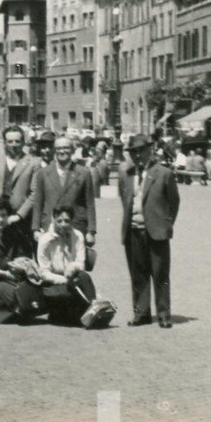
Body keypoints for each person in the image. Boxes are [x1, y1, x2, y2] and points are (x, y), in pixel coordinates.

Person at [118, 132, 180, 329]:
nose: (137, 155)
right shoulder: (126, 174)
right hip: (133, 230)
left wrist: (164, 223)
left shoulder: (164, 173)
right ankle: (141, 313)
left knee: (160, 274)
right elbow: (124, 199)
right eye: (133, 152)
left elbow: (174, 202)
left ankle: (163, 314)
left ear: (150, 150)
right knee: (138, 274)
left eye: (140, 151)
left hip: (156, 231)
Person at [36, 205, 108, 326]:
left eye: (67, 221)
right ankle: (67, 312)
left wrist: (72, 267)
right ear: (53, 219)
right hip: (53, 282)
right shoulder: (45, 241)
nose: (63, 224)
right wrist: (64, 280)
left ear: (72, 220)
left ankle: (93, 308)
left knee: (84, 276)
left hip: (73, 278)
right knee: (68, 303)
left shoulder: (78, 236)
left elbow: (81, 263)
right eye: (59, 221)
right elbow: (44, 273)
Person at [31, 135, 98, 262]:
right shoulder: (43, 173)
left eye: (66, 148)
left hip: (76, 227)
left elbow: (90, 204)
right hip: (50, 227)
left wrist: (91, 231)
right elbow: (38, 203)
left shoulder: (83, 172)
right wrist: (35, 229)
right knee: (51, 264)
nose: (62, 151)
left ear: (73, 150)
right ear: (54, 150)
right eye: (59, 148)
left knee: (75, 265)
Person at [0, 126, 37, 252]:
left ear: (23, 142)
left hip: (20, 220)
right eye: (10, 141)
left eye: (17, 141)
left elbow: (34, 193)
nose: (14, 145)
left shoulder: (33, 163)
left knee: (21, 255)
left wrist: (19, 215)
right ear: (5, 143)